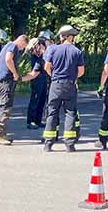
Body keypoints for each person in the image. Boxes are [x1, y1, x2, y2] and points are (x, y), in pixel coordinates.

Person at [42, 24, 85, 152]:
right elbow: (81, 71)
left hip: (55, 84)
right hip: (70, 84)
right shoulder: (77, 51)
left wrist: (54, 76)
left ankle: (48, 143)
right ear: (71, 37)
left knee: (52, 112)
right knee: (70, 112)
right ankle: (69, 144)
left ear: (62, 36)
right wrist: (72, 77)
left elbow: (46, 67)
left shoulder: (53, 49)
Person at [0, 33, 29, 145]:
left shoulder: (6, 45)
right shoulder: (13, 46)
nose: (22, 49)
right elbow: (8, 59)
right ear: (22, 42)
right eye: (23, 47)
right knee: (6, 107)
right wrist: (14, 73)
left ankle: (1, 133)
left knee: (5, 106)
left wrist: (2, 69)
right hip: (6, 81)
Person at [25, 40, 48, 129]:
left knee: (42, 100)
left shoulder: (42, 54)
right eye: (39, 45)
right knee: (35, 99)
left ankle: (38, 120)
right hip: (36, 78)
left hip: (43, 77)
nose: (41, 46)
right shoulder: (33, 55)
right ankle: (30, 121)